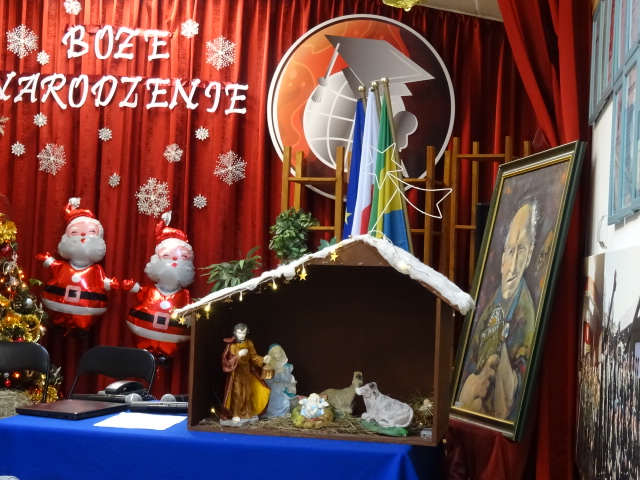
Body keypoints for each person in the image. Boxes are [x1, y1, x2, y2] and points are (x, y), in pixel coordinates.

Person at [456, 200, 539, 420]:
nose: (512, 266)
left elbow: (510, 400)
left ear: (529, 255)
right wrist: (470, 386)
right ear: (502, 258)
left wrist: (499, 362)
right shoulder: (489, 303)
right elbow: (470, 363)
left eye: (521, 250)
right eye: (510, 251)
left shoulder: (525, 315)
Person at [38, 197, 118, 332]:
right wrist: (47, 260)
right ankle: (58, 321)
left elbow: (101, 281)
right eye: (75, 233)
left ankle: (81, 328)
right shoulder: (64, 266)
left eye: (90, 233)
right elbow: (54, 266)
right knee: (57, 320)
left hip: (85, 304)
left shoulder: (95, 269)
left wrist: (110, 283)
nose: (82, 236)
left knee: (82, 321)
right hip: (58, 301)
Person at [124, 212, 194, 363]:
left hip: (171, 335)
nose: (174, 262)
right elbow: (141, 293)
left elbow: (189, 308)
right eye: (167, 257)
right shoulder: (151, 290)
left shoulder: (184, 294)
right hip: (145, 330)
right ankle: (145, 355)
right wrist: (133, 287)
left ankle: (165, 355)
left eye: (181, 258)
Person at [221, 323, 271, 424]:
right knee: (237, 393)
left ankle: (248, 413)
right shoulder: (231, 345)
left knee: (248, 392)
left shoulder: (249, 343)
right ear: (235, 333)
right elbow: (226, 361)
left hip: (247, 371)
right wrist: (238, 355)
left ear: (246, 333)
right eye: (239, 333)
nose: (241, 335)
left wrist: (263, 359)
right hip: (236, 373)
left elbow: (253, 357)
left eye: (243, 333)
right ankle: (236, 413)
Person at [261, 344, 297, 418]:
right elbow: (268, 381)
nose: (278, 355)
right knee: (270, 397)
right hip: (272, 388)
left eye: (279, 353)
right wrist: (276, 373)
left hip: (282, 387)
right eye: (275, 353)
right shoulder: (268, 367)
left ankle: (284, 413)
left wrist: (282, 374)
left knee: (283, 398)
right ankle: (271, 413)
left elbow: (287, 380)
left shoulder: (286, 366)